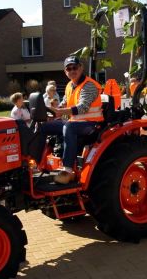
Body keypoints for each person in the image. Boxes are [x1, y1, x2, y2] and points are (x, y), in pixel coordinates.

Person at [40, 56, 104, 184]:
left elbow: (83, 107)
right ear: (65, 71)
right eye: (68, 68)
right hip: (75, 122)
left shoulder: (89, 85)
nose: (72, 70)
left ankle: (67, 171)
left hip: (92, 124)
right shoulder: (70, 85)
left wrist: (60, 112)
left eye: (74, 67)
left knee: (68, 127)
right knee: (44, 126)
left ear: (81, 68)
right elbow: (64, 104)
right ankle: (38, 162)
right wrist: (52, 111)